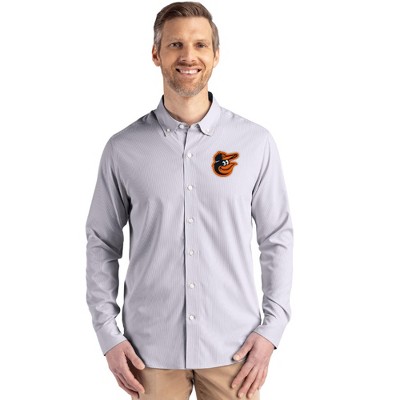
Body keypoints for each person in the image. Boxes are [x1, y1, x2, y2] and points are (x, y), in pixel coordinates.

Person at [85, 2, 293, 399]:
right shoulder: (122, 149)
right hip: (149, 353)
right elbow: (101, 243)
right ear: (156, 54)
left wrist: (272, 329)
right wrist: (108, 335)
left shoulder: (255, 143)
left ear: (216, 55)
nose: (188, 56)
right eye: (175, 44)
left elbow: (276, 237)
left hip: (235, 349)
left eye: (200, 44)